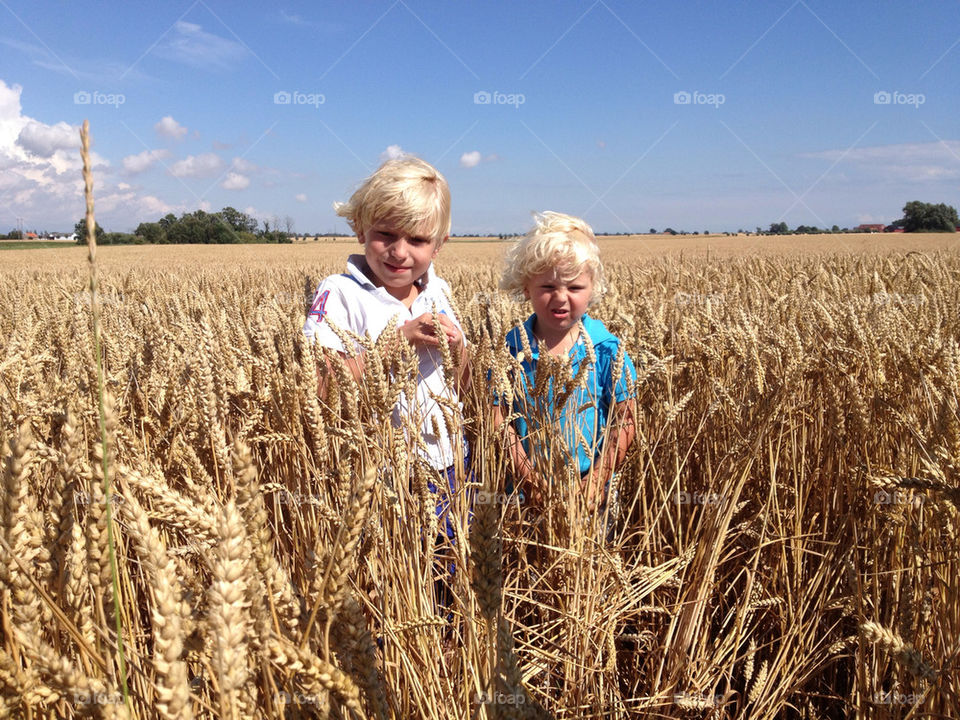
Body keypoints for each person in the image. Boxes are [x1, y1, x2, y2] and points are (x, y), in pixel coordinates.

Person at [302, 155, 469, 542]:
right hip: (377, 474)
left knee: (452, 568)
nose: (399, 251)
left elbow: (466, 385)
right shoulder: (339, 292)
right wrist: (398, 342)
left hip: (450, 463)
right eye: (386, 235)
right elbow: (319, 387)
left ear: (439, 246)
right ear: (360, 229)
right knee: (392, 576)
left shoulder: (439, 292)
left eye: (417, 239)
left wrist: (458, 348)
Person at [498, 211, 637, 516]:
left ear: (593, 289)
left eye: (574, 288)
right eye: (548, 287)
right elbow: (499, 417)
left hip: (592, 495)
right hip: (524, 494)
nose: (561, 298)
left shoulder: (607, 351)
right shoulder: (509, 349)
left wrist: (596, 480)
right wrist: (527, 477)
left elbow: (625, 420)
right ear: (526, 288)